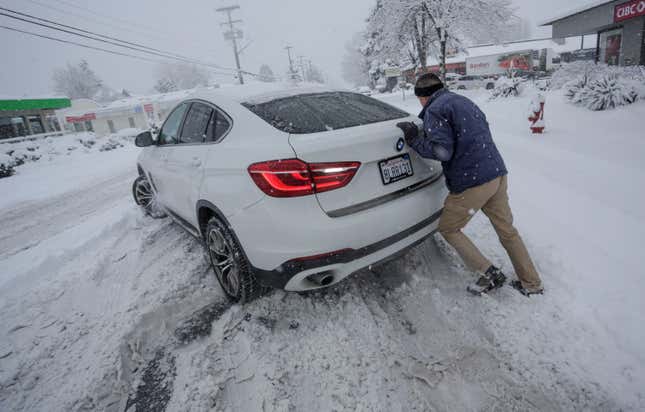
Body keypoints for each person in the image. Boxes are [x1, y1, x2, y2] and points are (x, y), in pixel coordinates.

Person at [396, 72, 543, 296]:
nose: (420, 103)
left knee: (448, 228)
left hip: (473, 181)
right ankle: (532, 284)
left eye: (419, 98)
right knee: (507, 231)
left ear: (424, 96)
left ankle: (488, 273)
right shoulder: (462, 100)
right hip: (496, 173)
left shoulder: (436, 110)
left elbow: (443, 151)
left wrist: (414, 140)